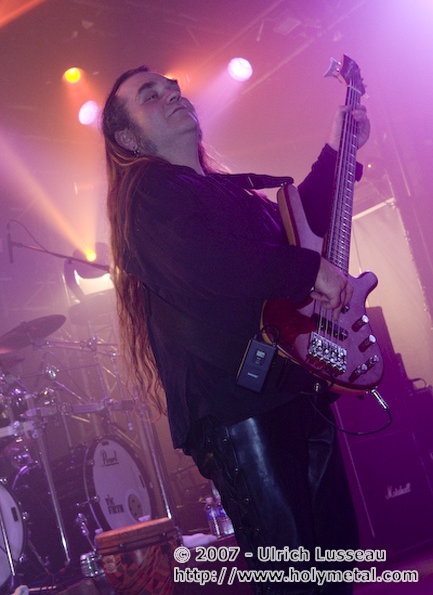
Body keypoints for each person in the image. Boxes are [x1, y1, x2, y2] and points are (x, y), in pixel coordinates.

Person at [101, 65, 370, 594]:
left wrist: (339, 152)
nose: (173, 95)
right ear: (128, 138)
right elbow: (212, 264)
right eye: (151, 96)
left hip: (292, 386)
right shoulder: (147, 192)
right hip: (237, 405)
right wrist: (306, 270)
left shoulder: (226, 192)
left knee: (334, 564)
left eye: (173, 88)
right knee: (291, 575)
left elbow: (295, 232)